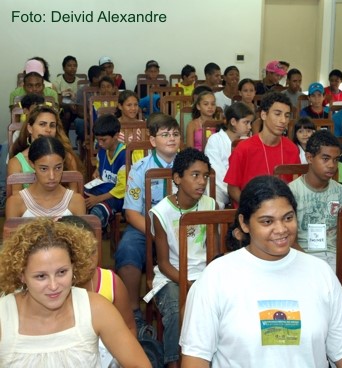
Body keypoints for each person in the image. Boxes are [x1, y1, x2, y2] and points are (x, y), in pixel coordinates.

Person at [180, 175, 342, 368]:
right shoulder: (216, 277)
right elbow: (195, 358)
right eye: (267, 222)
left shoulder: (320, 273)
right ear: (244, 223)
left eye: (288, 218)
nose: (281, 229)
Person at [0, 218, 150, 368]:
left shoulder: (96, 308)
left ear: (74, 266)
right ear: (21, 275)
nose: (53, 286)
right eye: (41, 276)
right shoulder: (3, 315)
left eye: (62, 272)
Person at [148, 148, 216, 368]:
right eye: (194, 175)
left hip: (204, 275)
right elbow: (164, 263)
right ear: (177, 178)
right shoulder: (161, 212)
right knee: (178, 311)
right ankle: (173, 362)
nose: (201, 181)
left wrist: (207, 280)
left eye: (205, 176)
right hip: (172, 277)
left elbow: (213, 253)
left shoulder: (210, 205)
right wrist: (188, 283)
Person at [115, 113, 180, 330]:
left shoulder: (188, 164)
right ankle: (133, 308)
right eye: (165, 134)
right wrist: (156, 233)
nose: (171, 138)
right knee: (127, 249)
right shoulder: (140, 168)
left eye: (175, 134)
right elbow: (131, 213)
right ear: (153, 141)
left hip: (183, 226)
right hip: (147, 225)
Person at [289, 130, 342, 293]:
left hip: (335, 257)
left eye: (336, 160)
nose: (332, 165)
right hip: (301, 257)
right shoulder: (291, 192)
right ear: (309, 158)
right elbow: (289, 239)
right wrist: (312, 267)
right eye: (325, 159)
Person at [224, 91, 300, 206]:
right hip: (251, 213)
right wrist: (252, 208)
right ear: (263, 115)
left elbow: (296, 188)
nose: (283, 120)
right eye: (277, 114)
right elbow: (232, 189)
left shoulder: (292, 149)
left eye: (287, 115)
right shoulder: (244, 148)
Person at [6, 136, 85, 218]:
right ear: (32, 164)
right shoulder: (16, 202)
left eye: (58, 168)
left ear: (63, 163)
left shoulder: (76, 201)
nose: (52, 176)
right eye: (44, 169)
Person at [8, 104, 81, 193]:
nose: (48, 130)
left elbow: (75, 195)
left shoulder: (68, 158)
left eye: (52, 125)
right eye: (42, 124)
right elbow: (16, 201)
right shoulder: (16, 163)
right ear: (30, 128)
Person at [205, 102, 254, 208]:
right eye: (246, 122)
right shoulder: (215, 140)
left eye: (251, 123)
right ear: (233, 121)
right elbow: (216, 169)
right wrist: (231, 189)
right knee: (213, 200)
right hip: (220, 187)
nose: (250, 127)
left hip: (242, 187)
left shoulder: (249, 142)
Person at [85, 114, 126, 229]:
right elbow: (100, 165)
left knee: (97, 213)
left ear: (116, 136)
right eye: (98, 140)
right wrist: (97, 171)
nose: (100, 143)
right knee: (80, 199)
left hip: (120, 197)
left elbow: (122, 189)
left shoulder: (125, 156)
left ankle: (95, 235)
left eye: (103, 140)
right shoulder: (103, 150)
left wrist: (97, 199)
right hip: (105, 189)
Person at [74, 65, 103, 142]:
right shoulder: (82, 91)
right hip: (89, 119)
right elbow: (80, 112)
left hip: (105, 120)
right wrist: (92, 119)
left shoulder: (107, 89)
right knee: (79, 122)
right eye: (102, 76)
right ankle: (87, 142)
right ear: (94, 79)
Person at [53, 55, 80, 132]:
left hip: (77, 108)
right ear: (64, 68)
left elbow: (81, 99)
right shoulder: (57, 82)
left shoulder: (79, 82)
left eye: (75, 66)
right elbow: (57, 100)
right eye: (69, 65)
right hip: (63, 109)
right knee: (66, 112)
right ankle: (65, 137)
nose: (72, 68)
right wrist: (69, 103)